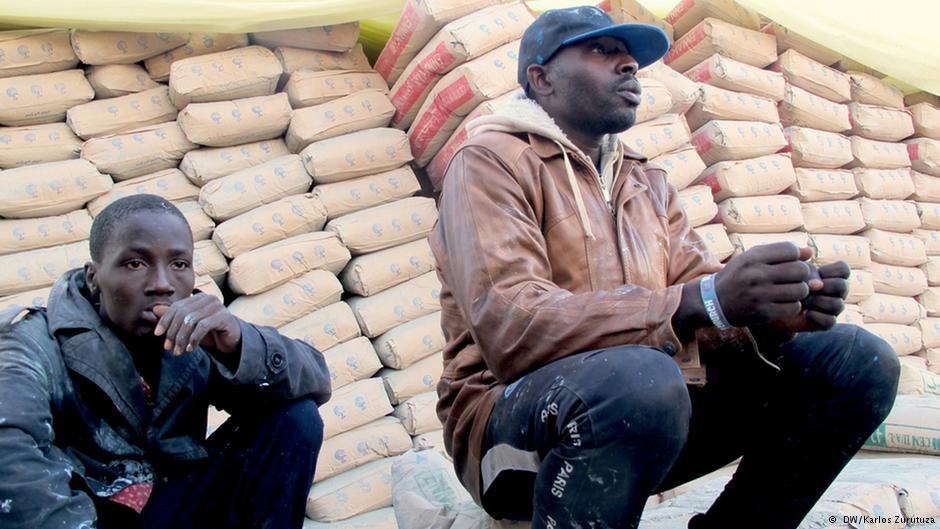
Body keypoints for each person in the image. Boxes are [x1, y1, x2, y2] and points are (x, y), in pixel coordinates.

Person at [429, 6, 900, 529]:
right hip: (507, 432)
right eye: (602, 51)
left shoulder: (645, 183)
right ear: (541, 79)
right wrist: (704, 299)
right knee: (639, 378)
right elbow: (512, 328)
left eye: (631, 56)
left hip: (647, 408)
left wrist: (773, 317)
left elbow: (701, 300)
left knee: (855, 360)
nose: (628, 65)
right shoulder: (490, 162)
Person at [0, 194, 331, 529]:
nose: (162, 284)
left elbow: (316, 379)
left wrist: (238, 344)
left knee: (294, 419)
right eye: (135, 264)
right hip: (92, 515)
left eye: (179, 265)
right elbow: (9, 452)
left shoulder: (199, 335)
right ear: (93, 278)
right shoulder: (32, 343)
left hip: (170, 503)